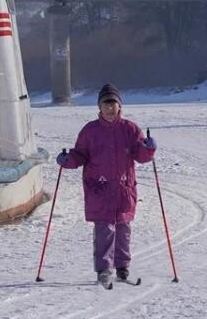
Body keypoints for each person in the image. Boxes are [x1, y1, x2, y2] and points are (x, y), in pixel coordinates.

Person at [56, 83, 156, 287]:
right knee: (104, 229)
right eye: (105, 105)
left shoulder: (130, 129)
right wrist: (68, 160)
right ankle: (103, 269)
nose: (110, 109)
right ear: (99, 107)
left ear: (120, 106)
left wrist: (149, 148)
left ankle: (122, 268)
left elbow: (141, 155)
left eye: (113, 105)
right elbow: (80, 155)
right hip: (99, 190)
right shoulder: (90, 131)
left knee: (123, 229)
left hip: (123, 189)